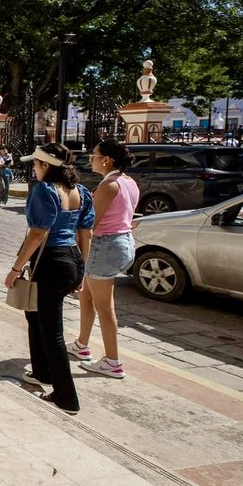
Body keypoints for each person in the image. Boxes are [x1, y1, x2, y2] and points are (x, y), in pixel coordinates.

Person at [4, 142, 94, 415]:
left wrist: (16, 269)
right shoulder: (80, 191)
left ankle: (66, 397)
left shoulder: (44, 190)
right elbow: (85, 234)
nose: (33, 168)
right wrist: (82, 268)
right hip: (71, 261)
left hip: (51, 262)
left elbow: (37, 233)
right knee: (35, 315)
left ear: (45, 165)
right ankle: (42, 371)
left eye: (35, 164)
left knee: (52, 330)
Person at [71, 139, 139, 378]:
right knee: (86, 296)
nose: (91, 158)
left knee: (104, 307)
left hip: (104, 246)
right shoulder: (128, 182)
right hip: (121, 242)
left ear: (106, 160)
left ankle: (113, 361)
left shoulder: (110, 185)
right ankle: (81, 344)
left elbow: (91, 223)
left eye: (95, 155)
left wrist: (77, 250)